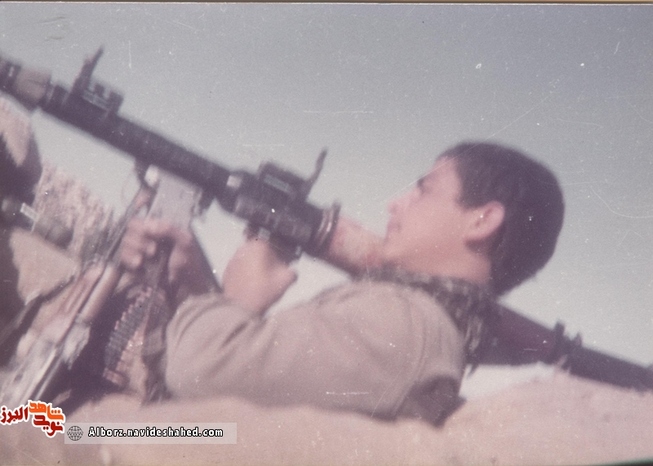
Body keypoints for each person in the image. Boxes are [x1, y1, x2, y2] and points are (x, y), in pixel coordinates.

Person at [122, 141, 566, 425]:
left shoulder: (408, 327)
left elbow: (204, 375)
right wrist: (195, 288)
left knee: (82, 428)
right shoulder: (409, 319)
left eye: (424, 190)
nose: (396, 204)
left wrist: (239, 296)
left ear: (482, 220)